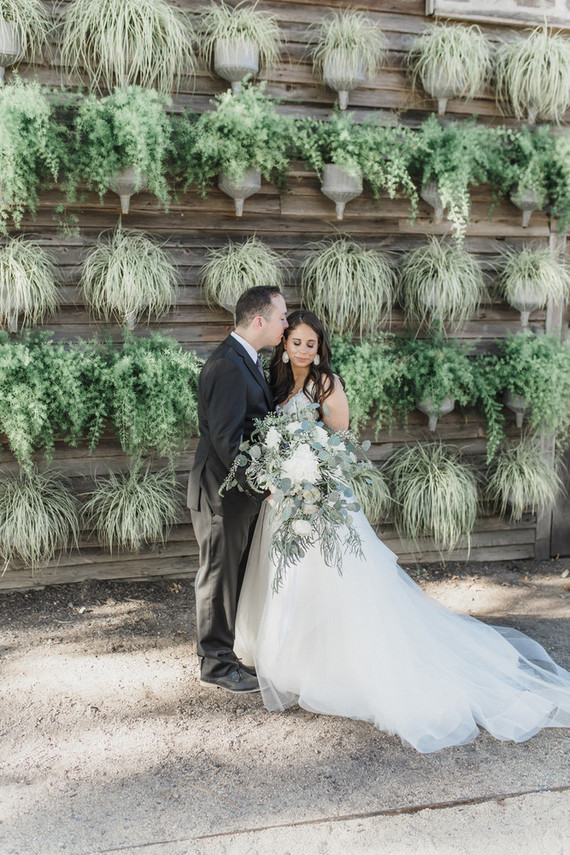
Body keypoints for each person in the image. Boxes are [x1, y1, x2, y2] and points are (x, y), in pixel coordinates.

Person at [234, 310, 570, 753]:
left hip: (321, 494)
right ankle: (285, 652)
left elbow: (341, 442)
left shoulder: (327, 385)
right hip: (284, 496)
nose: (303, 350)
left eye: (311, 344)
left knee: (331, 576)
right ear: (284, 343)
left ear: (319, 348)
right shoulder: (272, 383)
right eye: (296, 342)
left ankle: (336, 662)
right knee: (287, 572)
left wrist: (311, 467)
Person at [188, 285, 288, 693]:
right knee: (217, 578)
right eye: (282, 317)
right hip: (221, 495)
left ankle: (226, 657)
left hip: (233, 495)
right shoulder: (229, 365)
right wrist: (260, 484)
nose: (286, 323)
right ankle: (214, 665)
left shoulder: (245, 360)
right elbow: (229, 440)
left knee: (231, 577)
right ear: (259, 320)